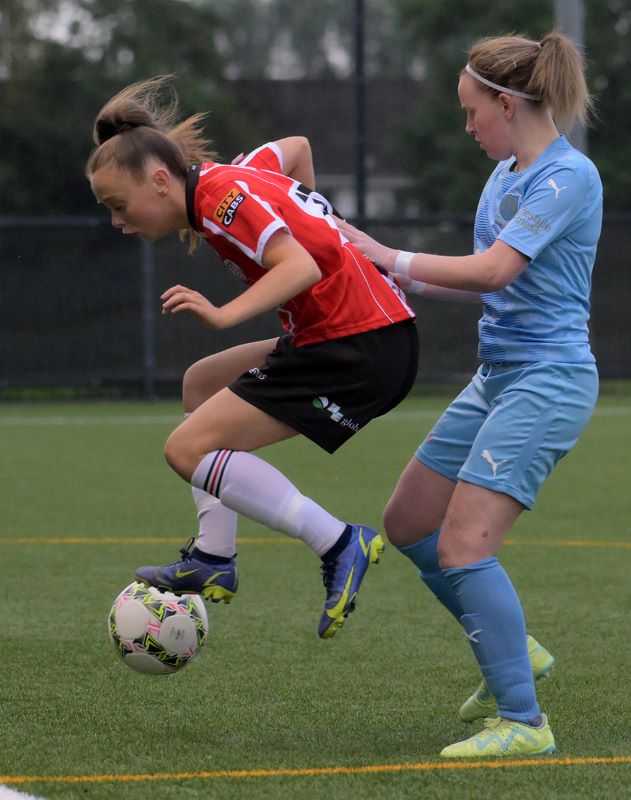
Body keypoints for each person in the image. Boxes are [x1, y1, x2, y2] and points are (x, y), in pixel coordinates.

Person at [337, 31, 602, 756]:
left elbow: (490, 273)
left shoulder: (566, 176)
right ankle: (516, 649)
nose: (467, 126)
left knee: (462, 545)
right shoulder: (504, 174)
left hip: (547, 382)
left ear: (507, 103)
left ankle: (522, 722)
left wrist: (388, 254)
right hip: (498, 376)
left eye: (471, 111)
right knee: (408, 520)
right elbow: (483, 283)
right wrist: (372, 263)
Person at [86, 77, 419, 640]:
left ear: (161, 181)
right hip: (353, 333)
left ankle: (339, 541)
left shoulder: (220, 197)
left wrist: (223, 314)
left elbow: (300, 269)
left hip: (359, 346)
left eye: (119, 205)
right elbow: (298, 148)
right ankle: (213, 558)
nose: (117, 221)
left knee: (185, 449)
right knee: (200, 385)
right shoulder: (239, 174)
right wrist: (317, 221)